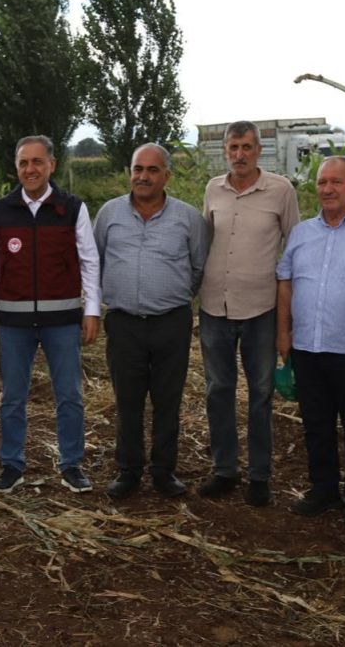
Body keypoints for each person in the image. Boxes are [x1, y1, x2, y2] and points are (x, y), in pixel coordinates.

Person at [0, 136, 101, 494]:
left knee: (69, 395)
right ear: (16, 167)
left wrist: (91, 310)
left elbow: (90, 262)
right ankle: (12, 463)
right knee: (13, 396)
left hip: (63, 321)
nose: (30, 169)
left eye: (37, 162)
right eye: (24, 163)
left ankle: (71, 463)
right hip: (12, 322)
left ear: (52, 165)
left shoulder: (73, 208)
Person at [276, 156, 345, 526]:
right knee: (316, 423)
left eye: (336, 182)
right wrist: (284, 331)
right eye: (322, 182)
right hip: (308, 346)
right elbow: (286, 283)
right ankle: (323, 489)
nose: (327, 189)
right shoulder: (302, 233)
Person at [94, 143, 209, 500]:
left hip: (170, 323)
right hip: (124, 323)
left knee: (167, 399)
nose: (143, 176)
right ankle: (128, 470)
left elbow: (198, 268)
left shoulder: (188, 218)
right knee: (127, 400)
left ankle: (163, 471)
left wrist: (170, 299)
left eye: (152, 170)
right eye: (137, 169)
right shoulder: (109, 213)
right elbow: (94, 262)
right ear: (130, 172)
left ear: (167, 176)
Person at [197, 121, 300, 505]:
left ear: (259, 151)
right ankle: (224, 469)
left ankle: (259, 475)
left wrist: (290, 317)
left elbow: (295, 246)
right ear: (225, 151)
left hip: (261, 309)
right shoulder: (213, 189)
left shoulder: (281, 191)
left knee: (260, 392)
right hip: (214, 306)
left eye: (246, 147)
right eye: (233, 147)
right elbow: (205, 240)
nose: (239, 154)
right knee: (218, 390)